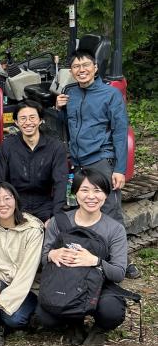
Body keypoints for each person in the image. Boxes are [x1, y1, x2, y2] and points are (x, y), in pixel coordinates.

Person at [55, 50, 136, 278]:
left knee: (110, 209)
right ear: (71, 71)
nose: (81, 70)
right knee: (81, 208)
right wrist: (59, 109)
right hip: (78, 162)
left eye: (85, 65)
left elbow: (120, 132)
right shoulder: (70, 93)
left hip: (101, 159)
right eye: (76, 66)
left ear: (95, 67)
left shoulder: (110, 95)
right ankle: (91, 254)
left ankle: (122, 261)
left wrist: (119, 169)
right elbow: (68, 126)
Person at [36, 169, 129, 346]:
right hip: (66, 283)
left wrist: (94, 260)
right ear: (75, 193)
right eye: (85, 190)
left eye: (97, 191)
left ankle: (98, 330)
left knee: (112, 311)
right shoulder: (59, 222)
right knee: (44, 316)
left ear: (105, 195)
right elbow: (42, 258)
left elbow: (119, 272)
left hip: (99, 287)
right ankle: (74, 323)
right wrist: (51, 255)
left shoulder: (114, 229)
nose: (91, 197)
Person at [0, 182, 44, 346]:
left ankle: (8, 318)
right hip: (1, 281)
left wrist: (6, 302)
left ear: (16, 201)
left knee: (14, 319)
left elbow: (28, 272)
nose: (2, 204)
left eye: (7, 198)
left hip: (27, 288)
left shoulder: (33, 229)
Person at [0, 100, 68, 222]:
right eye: (22, 118)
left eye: (32, 117)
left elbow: (60, 183)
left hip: (45, 205)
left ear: (40, 120)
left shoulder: (55, 147)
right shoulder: (7, 146)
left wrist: (55, 216)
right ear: (16, 122)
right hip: (15, 205)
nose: (28, 122)